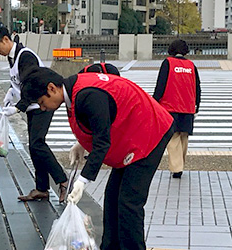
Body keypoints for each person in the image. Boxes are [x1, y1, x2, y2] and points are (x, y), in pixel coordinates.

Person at [20, 66, 174, 250]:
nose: (43, 108)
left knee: (129, 202)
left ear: (52, 88)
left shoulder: (87, 96)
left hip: (150, 132)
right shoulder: (75, 91)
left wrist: (82, 181)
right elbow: (100, 123)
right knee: (112, 198)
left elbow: (102, 142)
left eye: (42, 102)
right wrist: (83, 145)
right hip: (130, 135)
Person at [0, 25, 68, 202]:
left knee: (38, 144)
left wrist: (17, 108)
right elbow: (20, 82)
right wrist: (11, 92)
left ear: (6, 40)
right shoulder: (12, 56)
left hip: (42, 103)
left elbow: (31, 84)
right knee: (34, 146)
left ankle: (63, 180)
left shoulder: (25, 56)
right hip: (33, 105)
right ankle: (42, 188)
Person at [153, 39, 201, 179]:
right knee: (184, 136)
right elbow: (197, 87)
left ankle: (177, 168)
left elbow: (161, 84)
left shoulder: (168, 63)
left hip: (170, 106)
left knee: (173, 137)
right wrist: (197, 105)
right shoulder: (191, 65)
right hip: (188, 107)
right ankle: (180, 165)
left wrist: (154, 101)